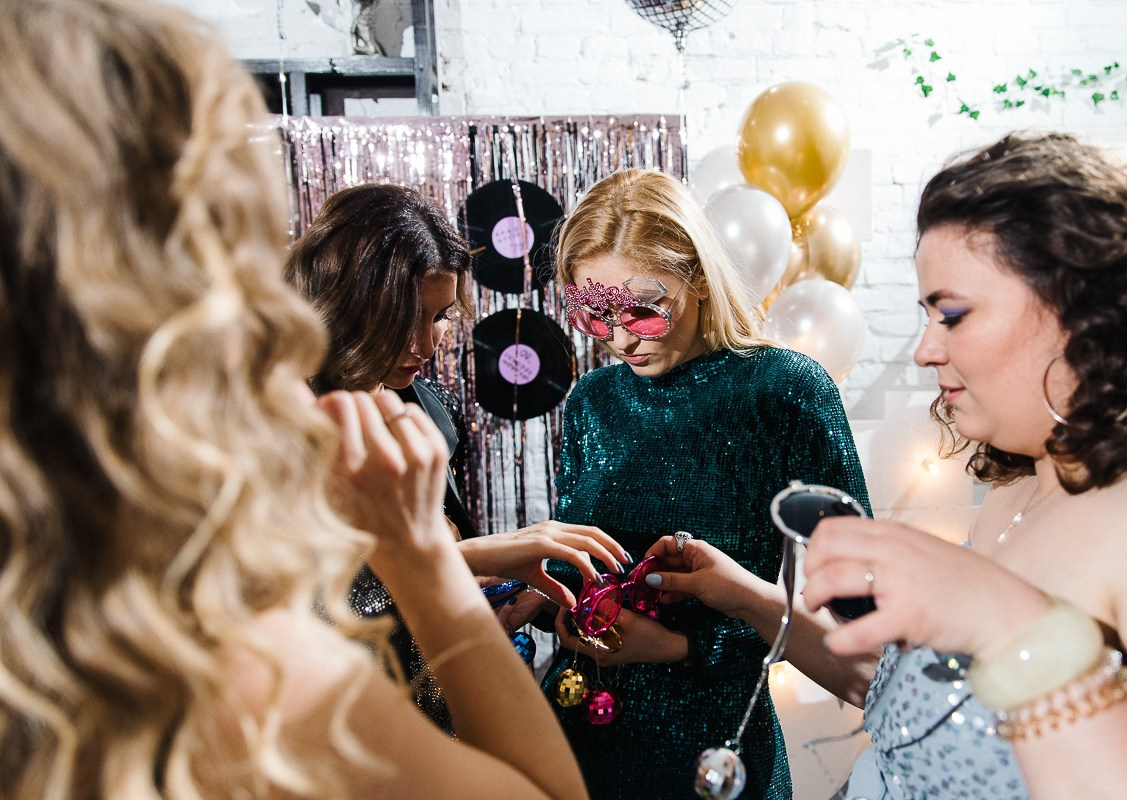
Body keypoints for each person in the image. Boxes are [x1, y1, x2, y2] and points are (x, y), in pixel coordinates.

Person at [0, 2, 589, 799]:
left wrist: (477, 585)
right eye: (232, 256)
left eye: (442, 318)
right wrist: (439, 570)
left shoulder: (420, 409)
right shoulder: (244, 669)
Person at [647, 132, 1127, 799]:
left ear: (1084, 314)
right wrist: (741, 593)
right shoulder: (1016, 496)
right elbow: (917, 713)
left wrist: (1011, 622)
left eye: (953, 315)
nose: (926, 350)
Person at [534, 168, 872, 800]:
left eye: (642, 310)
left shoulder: (785, 392)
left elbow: (858, 615)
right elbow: (576, 565)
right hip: (581, 736)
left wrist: (681, 646)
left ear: (695, 275)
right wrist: (550, 598)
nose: (620, 338)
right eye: (595, 315)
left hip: (716, 752)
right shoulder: (591, 401)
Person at [285, 182, 629, 730]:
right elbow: (307, 605)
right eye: (404, 318)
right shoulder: (279, 426)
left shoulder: (430, 410)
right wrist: (475, 557)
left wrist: (499, 585)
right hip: (345, 719)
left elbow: (432, 568)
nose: (424, 344)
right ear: (345, 301)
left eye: (441, 316)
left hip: (440, 703)